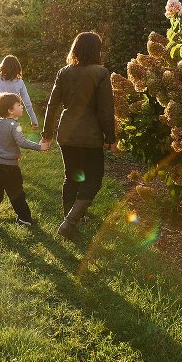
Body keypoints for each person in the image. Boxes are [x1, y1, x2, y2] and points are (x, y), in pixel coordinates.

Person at [41, 32, 116, 239]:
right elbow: (105, 110)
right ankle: (69, 222)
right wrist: (111, 138)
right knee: (93, 178)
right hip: (89, 135)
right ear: (96, 50)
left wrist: (47, 134)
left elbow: (52, 105)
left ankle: (71, 218)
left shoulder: (64, 72)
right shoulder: (101, 72)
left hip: (66, 133)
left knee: (72, 176)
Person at [0, 93, 51, 228]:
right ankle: (24, 218)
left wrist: (12, 153)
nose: (22, 107)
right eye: (19, 105)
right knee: (17, 193)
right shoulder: (14, 125)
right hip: (9, 168)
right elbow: (21, 142)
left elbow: (0, 142)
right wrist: (40, 147)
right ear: (10, 110)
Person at [0, 55, 39, 130]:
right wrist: (34, 121)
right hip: (13, 119)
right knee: (12, 140)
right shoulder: (20, 82)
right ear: (17, 68)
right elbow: (28, 104)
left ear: (3, 66)